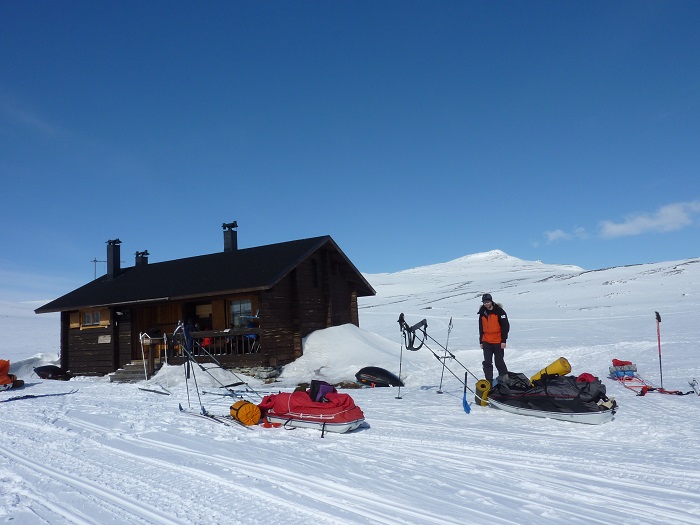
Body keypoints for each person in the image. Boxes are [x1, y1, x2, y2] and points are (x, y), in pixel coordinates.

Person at [478, 293, 510, 386]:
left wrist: (503, 340)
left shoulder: (500, 311)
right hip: (486, 341)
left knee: (499, 362)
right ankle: (489, 382)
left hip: (498, 341)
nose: (486, 304)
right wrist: (481, 341)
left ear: (491, 301)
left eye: (487, 302)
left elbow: (505, 326)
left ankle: (504, 381)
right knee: (487, 362)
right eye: (484, 302)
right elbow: (481, 327)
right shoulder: (482, 312)